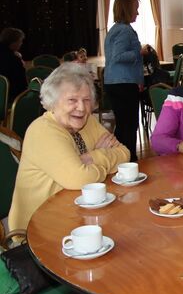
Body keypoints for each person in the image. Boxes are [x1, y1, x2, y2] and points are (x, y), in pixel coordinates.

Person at [8, 64, 129, 231]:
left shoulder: (88, 122)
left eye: (86, 100)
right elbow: (79, 178)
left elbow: (124, 153)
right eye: (72, 100)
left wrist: (91, 158)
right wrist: (101, 158)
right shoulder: (43, 131)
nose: (81, 108)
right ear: (53, 102)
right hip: (37, 230)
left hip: (79, 217)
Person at [104, 0, 147, 162]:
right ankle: (128, 160)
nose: (137, 13)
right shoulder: (124, 31)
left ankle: (121, 159)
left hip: (115, 82)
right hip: (123, 84)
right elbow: (117, 56)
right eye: (136, 9)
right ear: (127, 9)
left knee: (123, 125)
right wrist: (139, 52)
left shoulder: (115, 30)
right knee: (128, 125)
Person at [0, 27, 27, 103]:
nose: (21, 44)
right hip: (10, 97)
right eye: (20, 41)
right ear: (13, 42)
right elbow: (21, 84)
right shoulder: (14, 59)